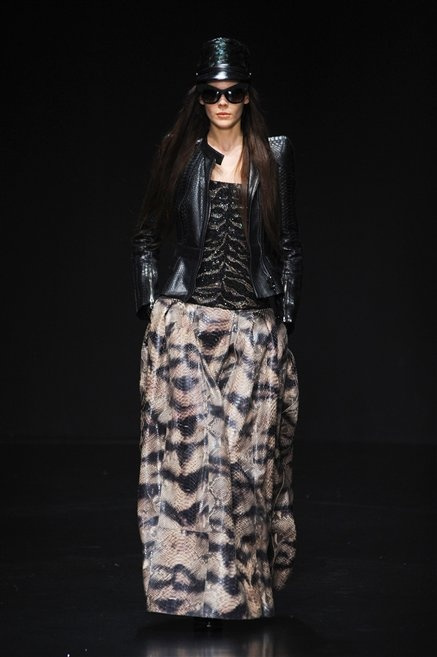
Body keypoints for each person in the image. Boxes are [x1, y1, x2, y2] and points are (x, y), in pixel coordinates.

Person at [131, 36, 303, 627]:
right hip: (188, 326)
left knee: (244, 461)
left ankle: (239, 591)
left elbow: (290, 246)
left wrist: (284, 323)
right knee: (193, 461)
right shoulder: (177, 154)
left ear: (247, 95)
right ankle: (191, 594)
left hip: (252, 330)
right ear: (199, 97)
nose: (223, 102)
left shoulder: (273, 157)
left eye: (232, 92)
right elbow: (147, 235)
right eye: (212, 92)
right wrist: (152, 311)